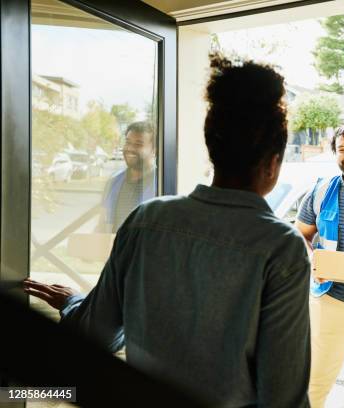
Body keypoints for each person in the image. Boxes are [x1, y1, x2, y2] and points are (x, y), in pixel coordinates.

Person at [23, 55, 312, 407]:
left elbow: (99, 335)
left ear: (212, 150)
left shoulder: (147, 220)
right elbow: (283, 397)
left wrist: (72, 302)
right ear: (273, 162)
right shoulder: (281, 248)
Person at [295, 124, 344, 408]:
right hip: (330, 299)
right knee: (315, 383)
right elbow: (300, 235)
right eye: (342, 150)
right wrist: (315, 261)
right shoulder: (321, 191)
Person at [99, 121, 157, 233]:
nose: (130, 148)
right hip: (116, 248)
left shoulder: (161, 183)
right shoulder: (113, 182)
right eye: (128, 142)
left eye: (138, 144)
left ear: (154, 150)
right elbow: (102, 225)